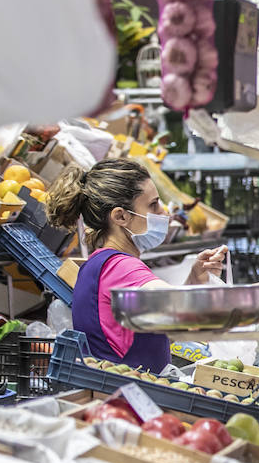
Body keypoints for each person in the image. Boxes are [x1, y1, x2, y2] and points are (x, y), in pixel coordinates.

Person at [47, 158, 227, 370]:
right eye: (153, 205)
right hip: (127, 394)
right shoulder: (121, 268)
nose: (165, 213)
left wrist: (195, 280)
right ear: (121, 216)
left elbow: (162, 330)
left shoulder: (99, 264)